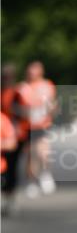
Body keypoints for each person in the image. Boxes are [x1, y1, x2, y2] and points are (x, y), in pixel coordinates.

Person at [14, 61, 58, 197]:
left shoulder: (47, 85)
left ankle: (45, 175)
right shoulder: (22, 88)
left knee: (43, 151)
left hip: (42, 124)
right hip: (27, 125)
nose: (32, 73)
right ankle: (31, 182)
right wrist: (23, 113)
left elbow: (53, 104)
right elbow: (14, 107)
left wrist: (51, 110)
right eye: (31, 70)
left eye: (35, 70)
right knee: (31, 155)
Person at [1, 64, 22, 213]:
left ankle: (10, 197)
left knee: (12, 168)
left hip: (12, 132)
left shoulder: (16, 92)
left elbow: (22, 112)